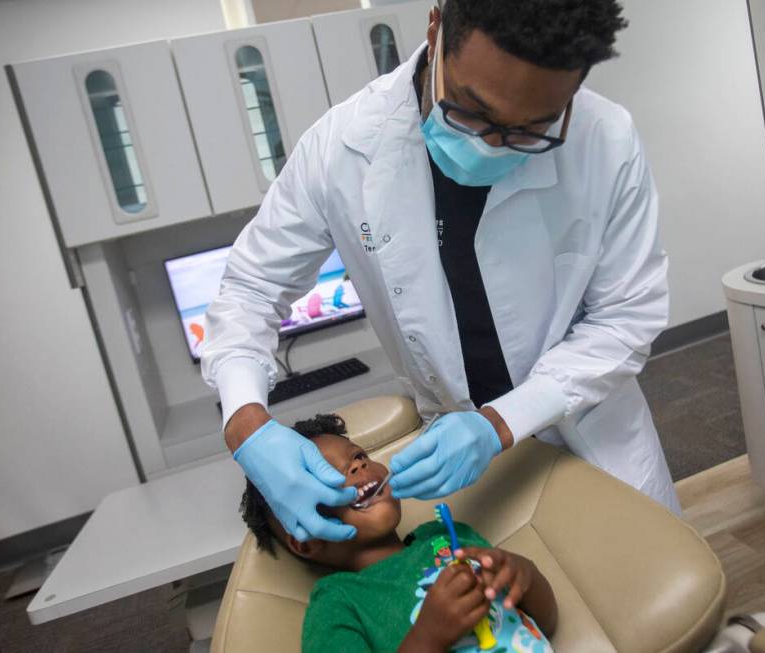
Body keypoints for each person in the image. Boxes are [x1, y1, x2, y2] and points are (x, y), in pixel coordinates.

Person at [202, 0, 678, 548]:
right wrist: (248, 427)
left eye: (531, 130)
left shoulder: (605, 139)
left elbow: (625, 317)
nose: (491, 145)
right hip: (458, 461)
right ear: (436, 29)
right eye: (472, 112)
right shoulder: (342, 148)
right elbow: (250, 289)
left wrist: (500, 422)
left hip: (590, 428)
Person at [239, 413, 558, 652]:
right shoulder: (338, 600)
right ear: (305, 540)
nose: (357, 468)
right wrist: (428, 637)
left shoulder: (448, 536)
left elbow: (547, 623)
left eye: (359, 456)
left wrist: (523, 575)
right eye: (328, 476)